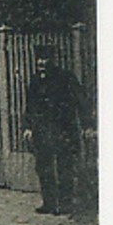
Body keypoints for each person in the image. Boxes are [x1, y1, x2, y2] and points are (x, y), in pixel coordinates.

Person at [26, 46, 85, 215]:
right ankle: (49, 203)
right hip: (41, 132)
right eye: (39, 59)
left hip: (63, 130)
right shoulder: (35, 80)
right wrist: (28, 127)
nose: (41, 62)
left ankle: (65, 204)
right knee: (44, 167)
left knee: (64, 167)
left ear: (53, 60)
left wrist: (88, 125)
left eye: (45, 59)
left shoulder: (65, 77)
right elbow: (29, 106)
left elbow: (81, 101)